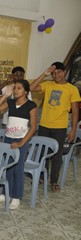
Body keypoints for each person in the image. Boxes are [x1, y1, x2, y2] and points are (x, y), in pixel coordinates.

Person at [30, 62, 81, 192]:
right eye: (53, 73)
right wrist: (44, 74)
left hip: (60, 127)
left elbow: (75, 111)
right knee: (43, 153)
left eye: (58, 72)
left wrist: (73, 129)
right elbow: (31, 87)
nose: (56, 75)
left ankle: (54, 181)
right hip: (44, 125)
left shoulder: (72, 89)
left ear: (64, 72)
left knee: (57, 155)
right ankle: (42, 176)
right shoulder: (48, 85)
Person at [0, 80, 37, 209]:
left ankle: (16, 196)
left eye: (19, 88)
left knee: (18, 169)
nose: (16, 90)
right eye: (15, 88)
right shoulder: (11, 102)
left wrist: (21, 143)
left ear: (26, 91)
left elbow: (33, 127)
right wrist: (5, 96)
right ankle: (5, 193)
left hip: (21, 140)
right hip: (8, 138)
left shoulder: (31, 105)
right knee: (8, 167)